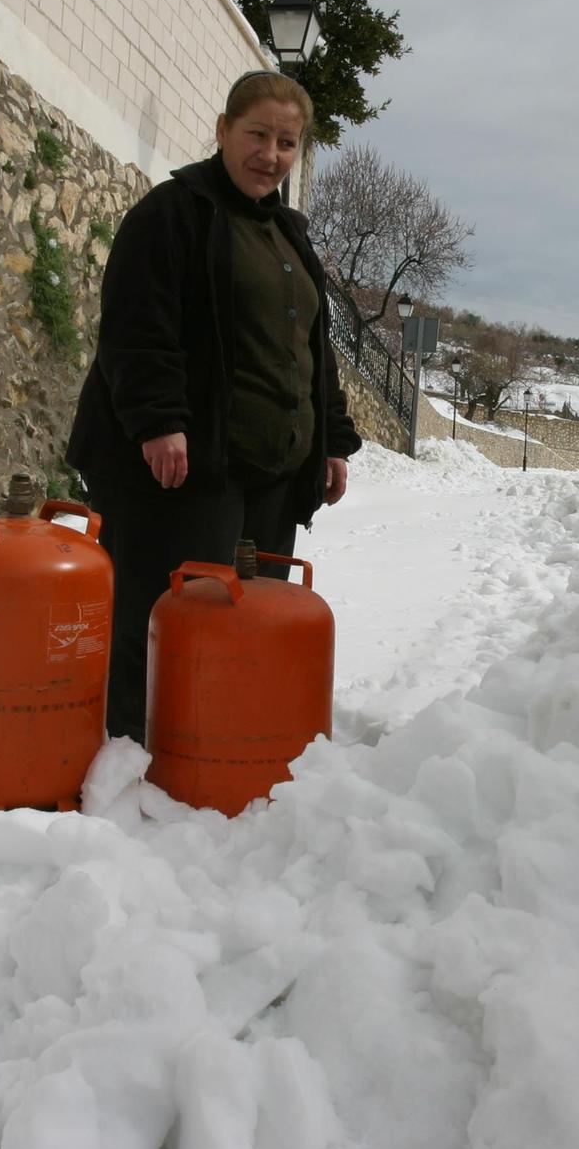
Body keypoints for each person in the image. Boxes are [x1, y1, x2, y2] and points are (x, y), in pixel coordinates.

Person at [65, 70, 360, 744]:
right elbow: (137, 327)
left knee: (238, 619)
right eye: (258, 134)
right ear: (223, 130)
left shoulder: (289, 235)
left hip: (268, 476)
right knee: (162, 612)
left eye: (287, 142)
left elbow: (309, 348)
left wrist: (332, 439)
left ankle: (214, 743)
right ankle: (133, 748)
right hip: (184, 467)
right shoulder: (173, 213)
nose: (271, 154)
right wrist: (159, 422)